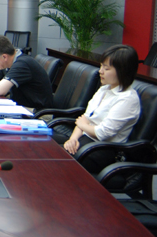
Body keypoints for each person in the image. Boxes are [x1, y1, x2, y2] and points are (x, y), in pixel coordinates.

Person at [53, 45, 140, 173]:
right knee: (43, 144)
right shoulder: (104, 89)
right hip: (84, 140)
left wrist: (82, 125)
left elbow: (102, 133)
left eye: (106, 68)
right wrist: (73, 139)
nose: (100, 71)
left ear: (123, 71)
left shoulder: (127, 99)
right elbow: (85, 118)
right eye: (101, 66)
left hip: (102, 150)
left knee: (52, 158)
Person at [0, 36, 53, 109]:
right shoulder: (11, 61)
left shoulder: (22, 64)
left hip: (37, 113)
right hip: (24, 107)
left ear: (4, 57)